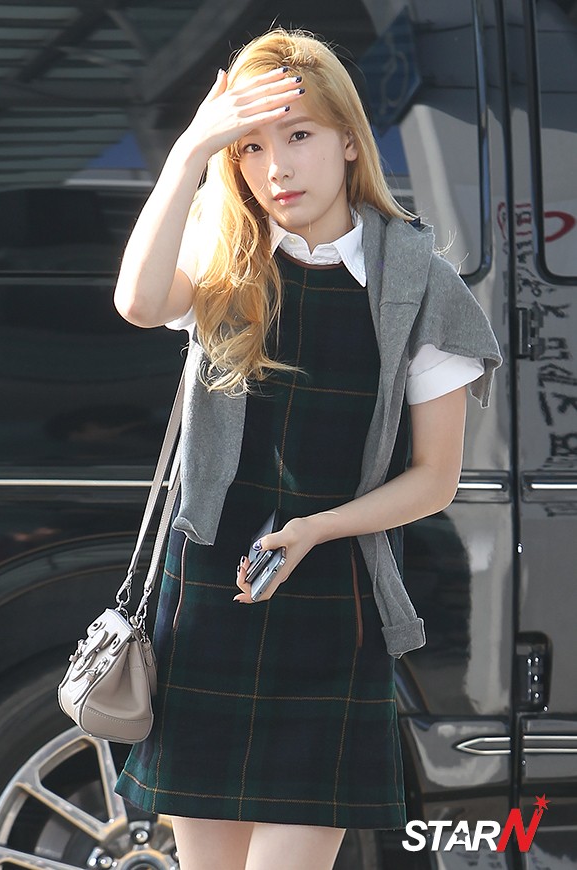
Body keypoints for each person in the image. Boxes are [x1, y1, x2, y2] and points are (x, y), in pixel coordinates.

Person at [113, 28, 501, 870]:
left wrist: (315, 530)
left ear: (349, 141)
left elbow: (434, 479)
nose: (277, 167)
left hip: (336, 604)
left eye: (298, 135)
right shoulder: (227, 260)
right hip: (209, 595)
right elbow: (139, 303)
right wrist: (189, 152)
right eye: (251, 146)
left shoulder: (419, 282)